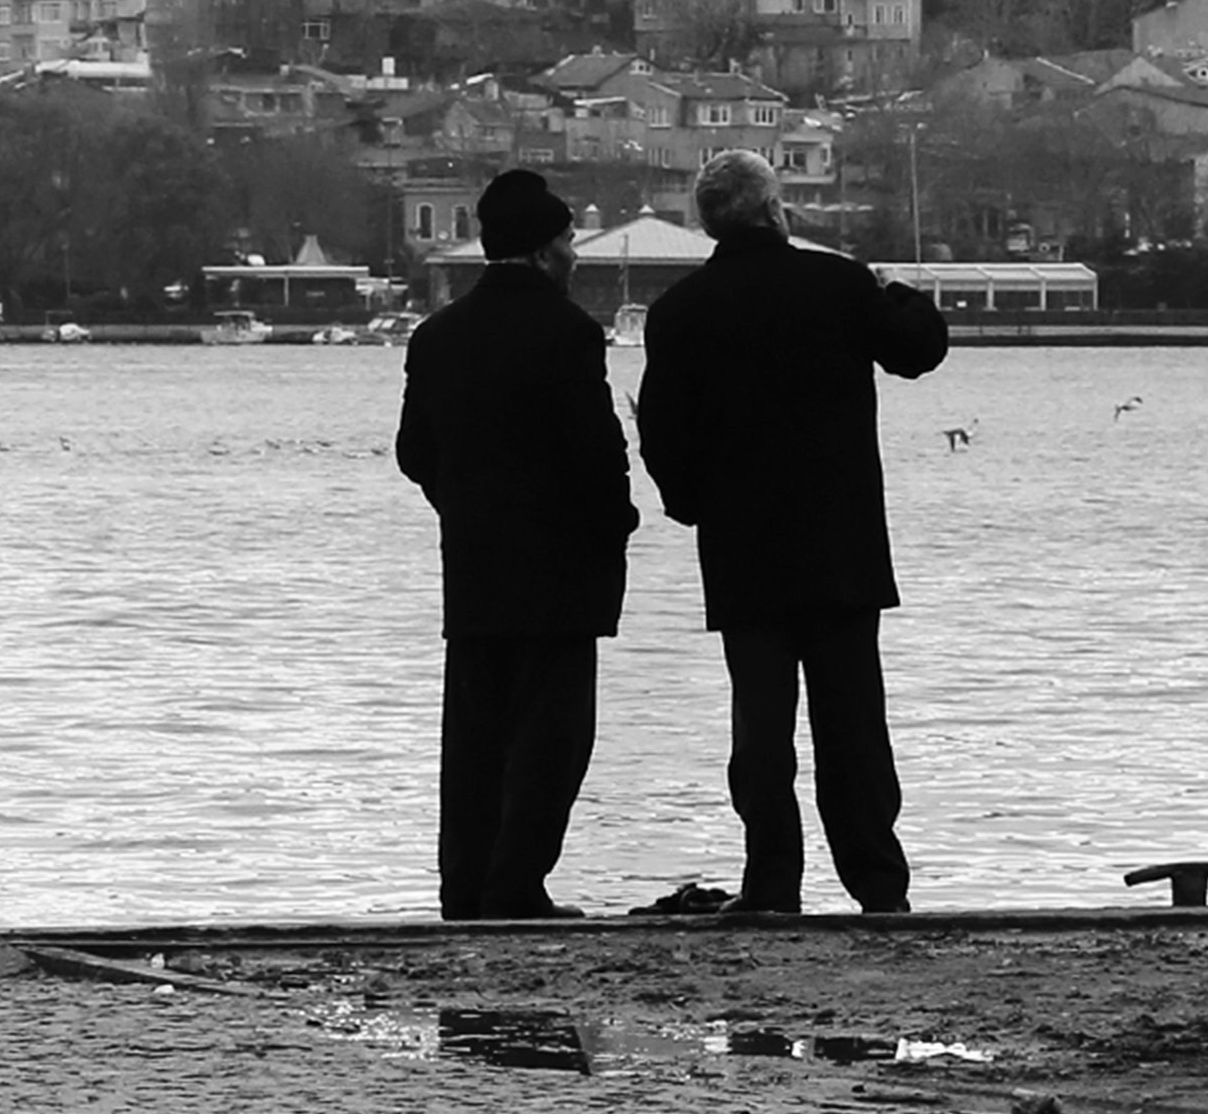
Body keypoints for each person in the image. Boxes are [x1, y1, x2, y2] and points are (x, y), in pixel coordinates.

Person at [632, 145, 949, 913]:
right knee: (852, 727)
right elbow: (919, 351)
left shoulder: (680, 312)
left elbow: (661, 435)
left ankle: (771, 882)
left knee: (761, 730)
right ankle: (877, 883)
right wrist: (897, 288)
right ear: (778, 209)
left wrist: (691, 503)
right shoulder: (836, 283)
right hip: (841, 545)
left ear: (706, 224)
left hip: (743, 550)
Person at [392, 167, 631, 919]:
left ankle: (463, 885)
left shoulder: (437, 337)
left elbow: (412, 452)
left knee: (472, 742)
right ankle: (518, 886)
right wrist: (617, 522)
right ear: (541, 248)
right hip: (560, 571)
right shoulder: (569, 334)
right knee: (550, 741)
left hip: (474, 569)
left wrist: (458, 501)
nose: (574, 254)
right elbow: (597, 452)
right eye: (567, 240)